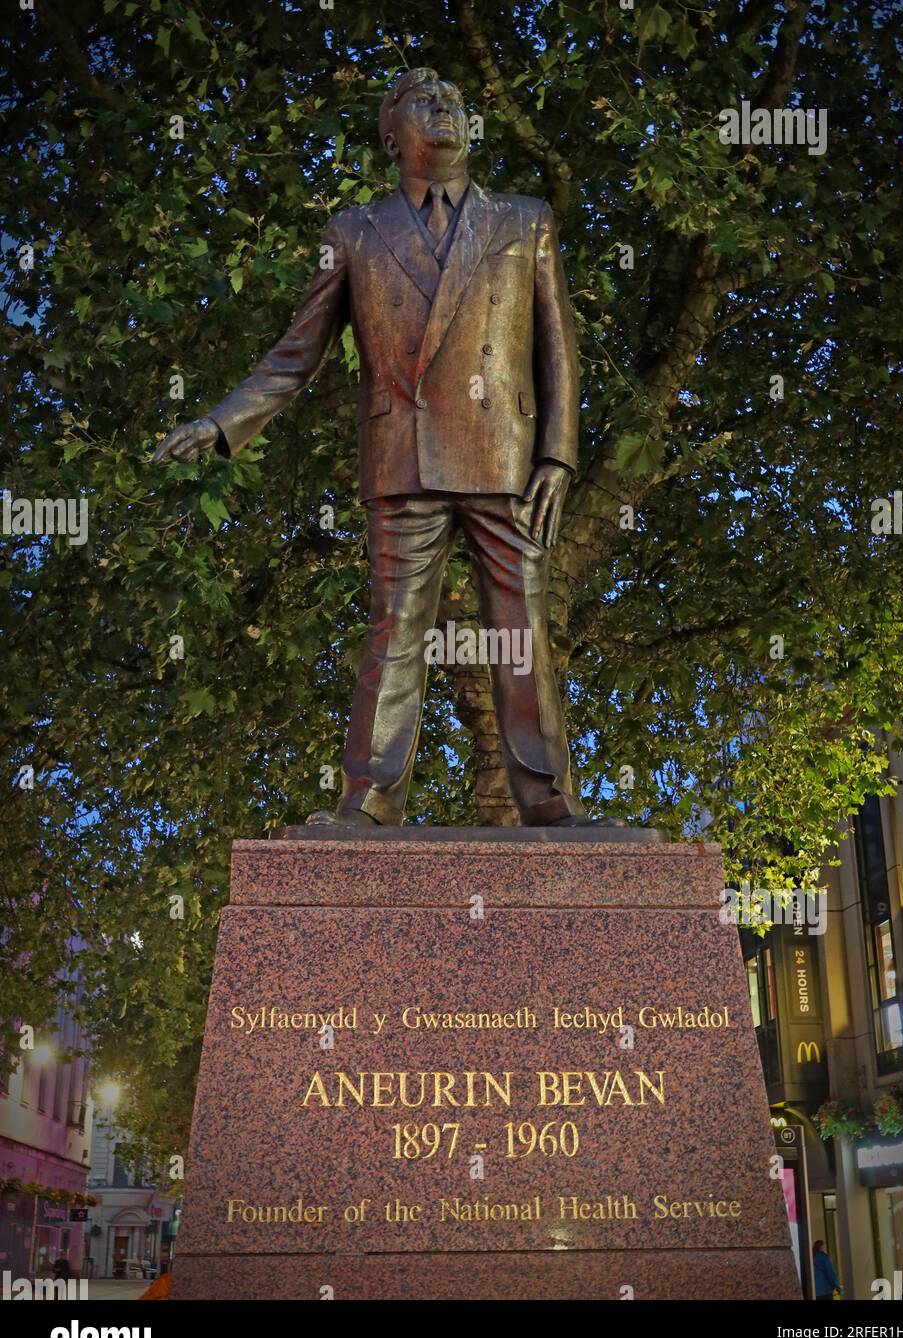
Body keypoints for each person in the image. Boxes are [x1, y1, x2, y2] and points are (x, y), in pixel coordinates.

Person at [153, 68, 627, 831]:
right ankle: (367, 800)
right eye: (424, 103)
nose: (446, 112)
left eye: (456, 104)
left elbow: (558, 350)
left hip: (505, 458)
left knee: (521, 630)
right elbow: (295, 352)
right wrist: (220, 424)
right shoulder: (351, 232)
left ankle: (549, 799)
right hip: (402, 459)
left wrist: (559, 457)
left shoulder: (525, 219)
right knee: (395, 629)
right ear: (390, 133)